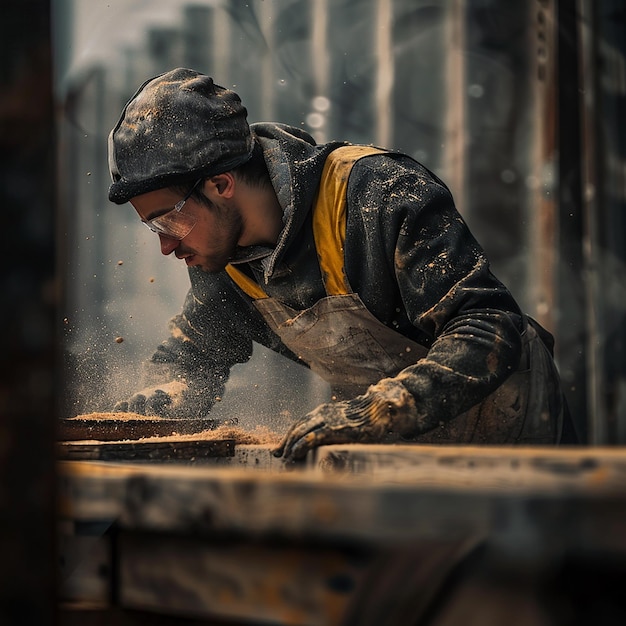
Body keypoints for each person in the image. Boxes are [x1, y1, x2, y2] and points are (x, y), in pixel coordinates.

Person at [107, 67, 574, 462]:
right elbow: (189, 365)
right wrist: (137, 417)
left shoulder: (376, 194)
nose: (167, 247)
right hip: (408, 455)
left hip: (513, 438)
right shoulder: (222, 259)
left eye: (166, 220)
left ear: (221, 184)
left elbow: (488, 326)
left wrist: (382, 409)